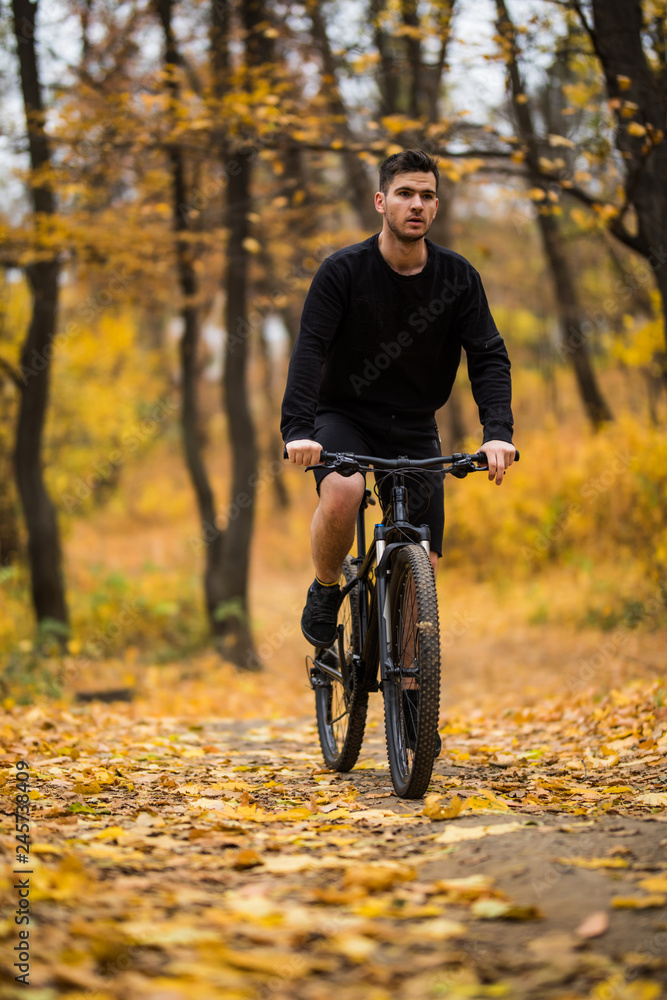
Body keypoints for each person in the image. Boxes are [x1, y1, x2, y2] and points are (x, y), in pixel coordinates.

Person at [281, 148, 515, 651]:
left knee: (421, 568)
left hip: (414, 423)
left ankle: (411, 710)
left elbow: (489, 356)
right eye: (405, 194)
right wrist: (297, 431)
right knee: (343, 493)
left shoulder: (458, 278)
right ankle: (325, 589)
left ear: (436, 206)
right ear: (381, 201)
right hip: (343, 413)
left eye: (427, 196)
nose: (417, 205)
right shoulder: (342, 272)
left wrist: (497, 433)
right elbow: (309, 353)